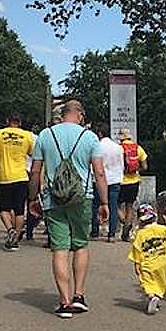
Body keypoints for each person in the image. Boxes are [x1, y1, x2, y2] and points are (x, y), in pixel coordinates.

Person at [27, 100, 108, 319]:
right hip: (82, 197)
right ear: (80, 115)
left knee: (60, 249)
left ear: (62, 115)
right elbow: (99, 172)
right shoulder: (89, 137)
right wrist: (104, 202)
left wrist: (33, 198)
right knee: (80, 246)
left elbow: (35, 172)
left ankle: (64, 302)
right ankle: (79, 296)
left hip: (54, 199)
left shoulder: (45, 135)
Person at [0, 114, 36, 250]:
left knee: (4, 208)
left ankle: (10, 229)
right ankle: (15, 240)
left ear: (7, 121)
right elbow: (33, 154)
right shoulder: (27, 135)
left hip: (4, 177)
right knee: (19, 210)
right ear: (20, 122)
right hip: (21, 176)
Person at [129, 201, 166, 315]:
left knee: (147, 283)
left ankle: (152, 296)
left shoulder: (141, 234)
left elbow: (137, 251)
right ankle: (158, 294)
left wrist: (137, 265)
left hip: (147, 264)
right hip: (162, 261)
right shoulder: (162, 229)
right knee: (161, 280)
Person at [91, 125, 124, 241]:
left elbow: (94, 165)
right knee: (113, 206)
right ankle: (111, 234)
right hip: (115, 179)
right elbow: (121, 164)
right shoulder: (118, 147)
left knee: (95, 206)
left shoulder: (97, 146)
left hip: (99, 180)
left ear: (100, 134)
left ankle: (95, 231)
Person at [118, 129, 149, 241]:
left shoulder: (119, 148)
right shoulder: (138, 148)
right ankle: (128, 225)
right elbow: (145, 167)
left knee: (116, 205)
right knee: (130, 206)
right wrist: (136, 170)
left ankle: (124, 222)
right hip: (134, 181)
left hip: (121, 181)